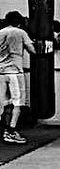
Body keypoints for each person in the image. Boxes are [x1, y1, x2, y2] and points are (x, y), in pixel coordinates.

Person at [0, 11, 36, 144]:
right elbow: (33, 50)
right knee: (17, 103)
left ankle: (4, 130)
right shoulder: (20, 32)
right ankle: (11, 131)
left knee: (3, 103)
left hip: (1, 73)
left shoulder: (0, 32)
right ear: (19, 22)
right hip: (15, 72)